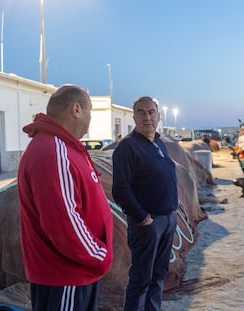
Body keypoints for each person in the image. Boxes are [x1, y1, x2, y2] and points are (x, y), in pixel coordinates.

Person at [17, 85, 113, 311]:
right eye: (90, 111)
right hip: (67, 276)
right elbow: (63, 223)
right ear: (76, 109)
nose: (90, 119)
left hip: (77, 272)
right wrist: (100, 255)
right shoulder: (53, 151)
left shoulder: (64, 147)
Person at [112, 96, 178, 311]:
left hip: (167, 220)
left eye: (151, 112)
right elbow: (120, 189)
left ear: (158, 116)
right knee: (141, 280)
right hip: (148, 225)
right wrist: (143, 218)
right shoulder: (127, 148)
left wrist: (173, 210)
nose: (147, 117)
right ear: (134, 117)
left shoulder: (158, 142)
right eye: (141, 112)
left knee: (159, 276)